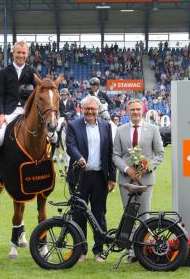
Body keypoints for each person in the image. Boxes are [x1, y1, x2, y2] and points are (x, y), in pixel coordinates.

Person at [112, 99, 164, 264]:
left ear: (142, 111)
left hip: (145, 180)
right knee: (129, 217)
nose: (135, 112)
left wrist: (147, 167)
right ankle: (131, 251)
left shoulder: (153, 129)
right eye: (132, 110)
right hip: (126, 181)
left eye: (137, 109)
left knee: (145, 216)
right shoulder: (120, 130)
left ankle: (143, 251)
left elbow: (160, 153)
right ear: (128, 111)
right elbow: (115, 155)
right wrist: (127, 169)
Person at [65, 95, 116, 263]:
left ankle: (98, 251)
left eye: (93, 108)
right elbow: (70, 146)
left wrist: (112, 177)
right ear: (81, 109)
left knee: (99, 214)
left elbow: (110, 153)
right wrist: (79, 157)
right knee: (79, 215)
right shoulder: (73, 125)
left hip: (100, 178)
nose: (90, 111)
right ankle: (81, 251)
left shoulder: (106, 126)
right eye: (87, 108)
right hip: (79, 178)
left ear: (98, 110)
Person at [0, 40, 38, 146]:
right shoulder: (4, 72)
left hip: (27, 112)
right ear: (13, 53)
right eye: (18, 52)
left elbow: (38, 93)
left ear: (27, 54)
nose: (21, 55)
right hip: (9, 113)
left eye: (23, 53)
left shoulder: (33, 71)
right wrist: (0, 114)